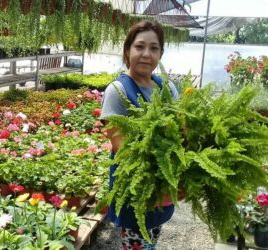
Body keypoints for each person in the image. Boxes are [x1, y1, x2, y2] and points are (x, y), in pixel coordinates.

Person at [100, 20, 180, 250]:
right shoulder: (117, 91)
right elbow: (122, 149)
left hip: (163, 189)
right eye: (139, 46)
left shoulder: (167, 89)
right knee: (137, 244)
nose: (146, 54)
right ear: (127, 50)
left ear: (161, 53)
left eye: (154, 48)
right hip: (136, 188)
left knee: (151, 239)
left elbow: (182, 135)